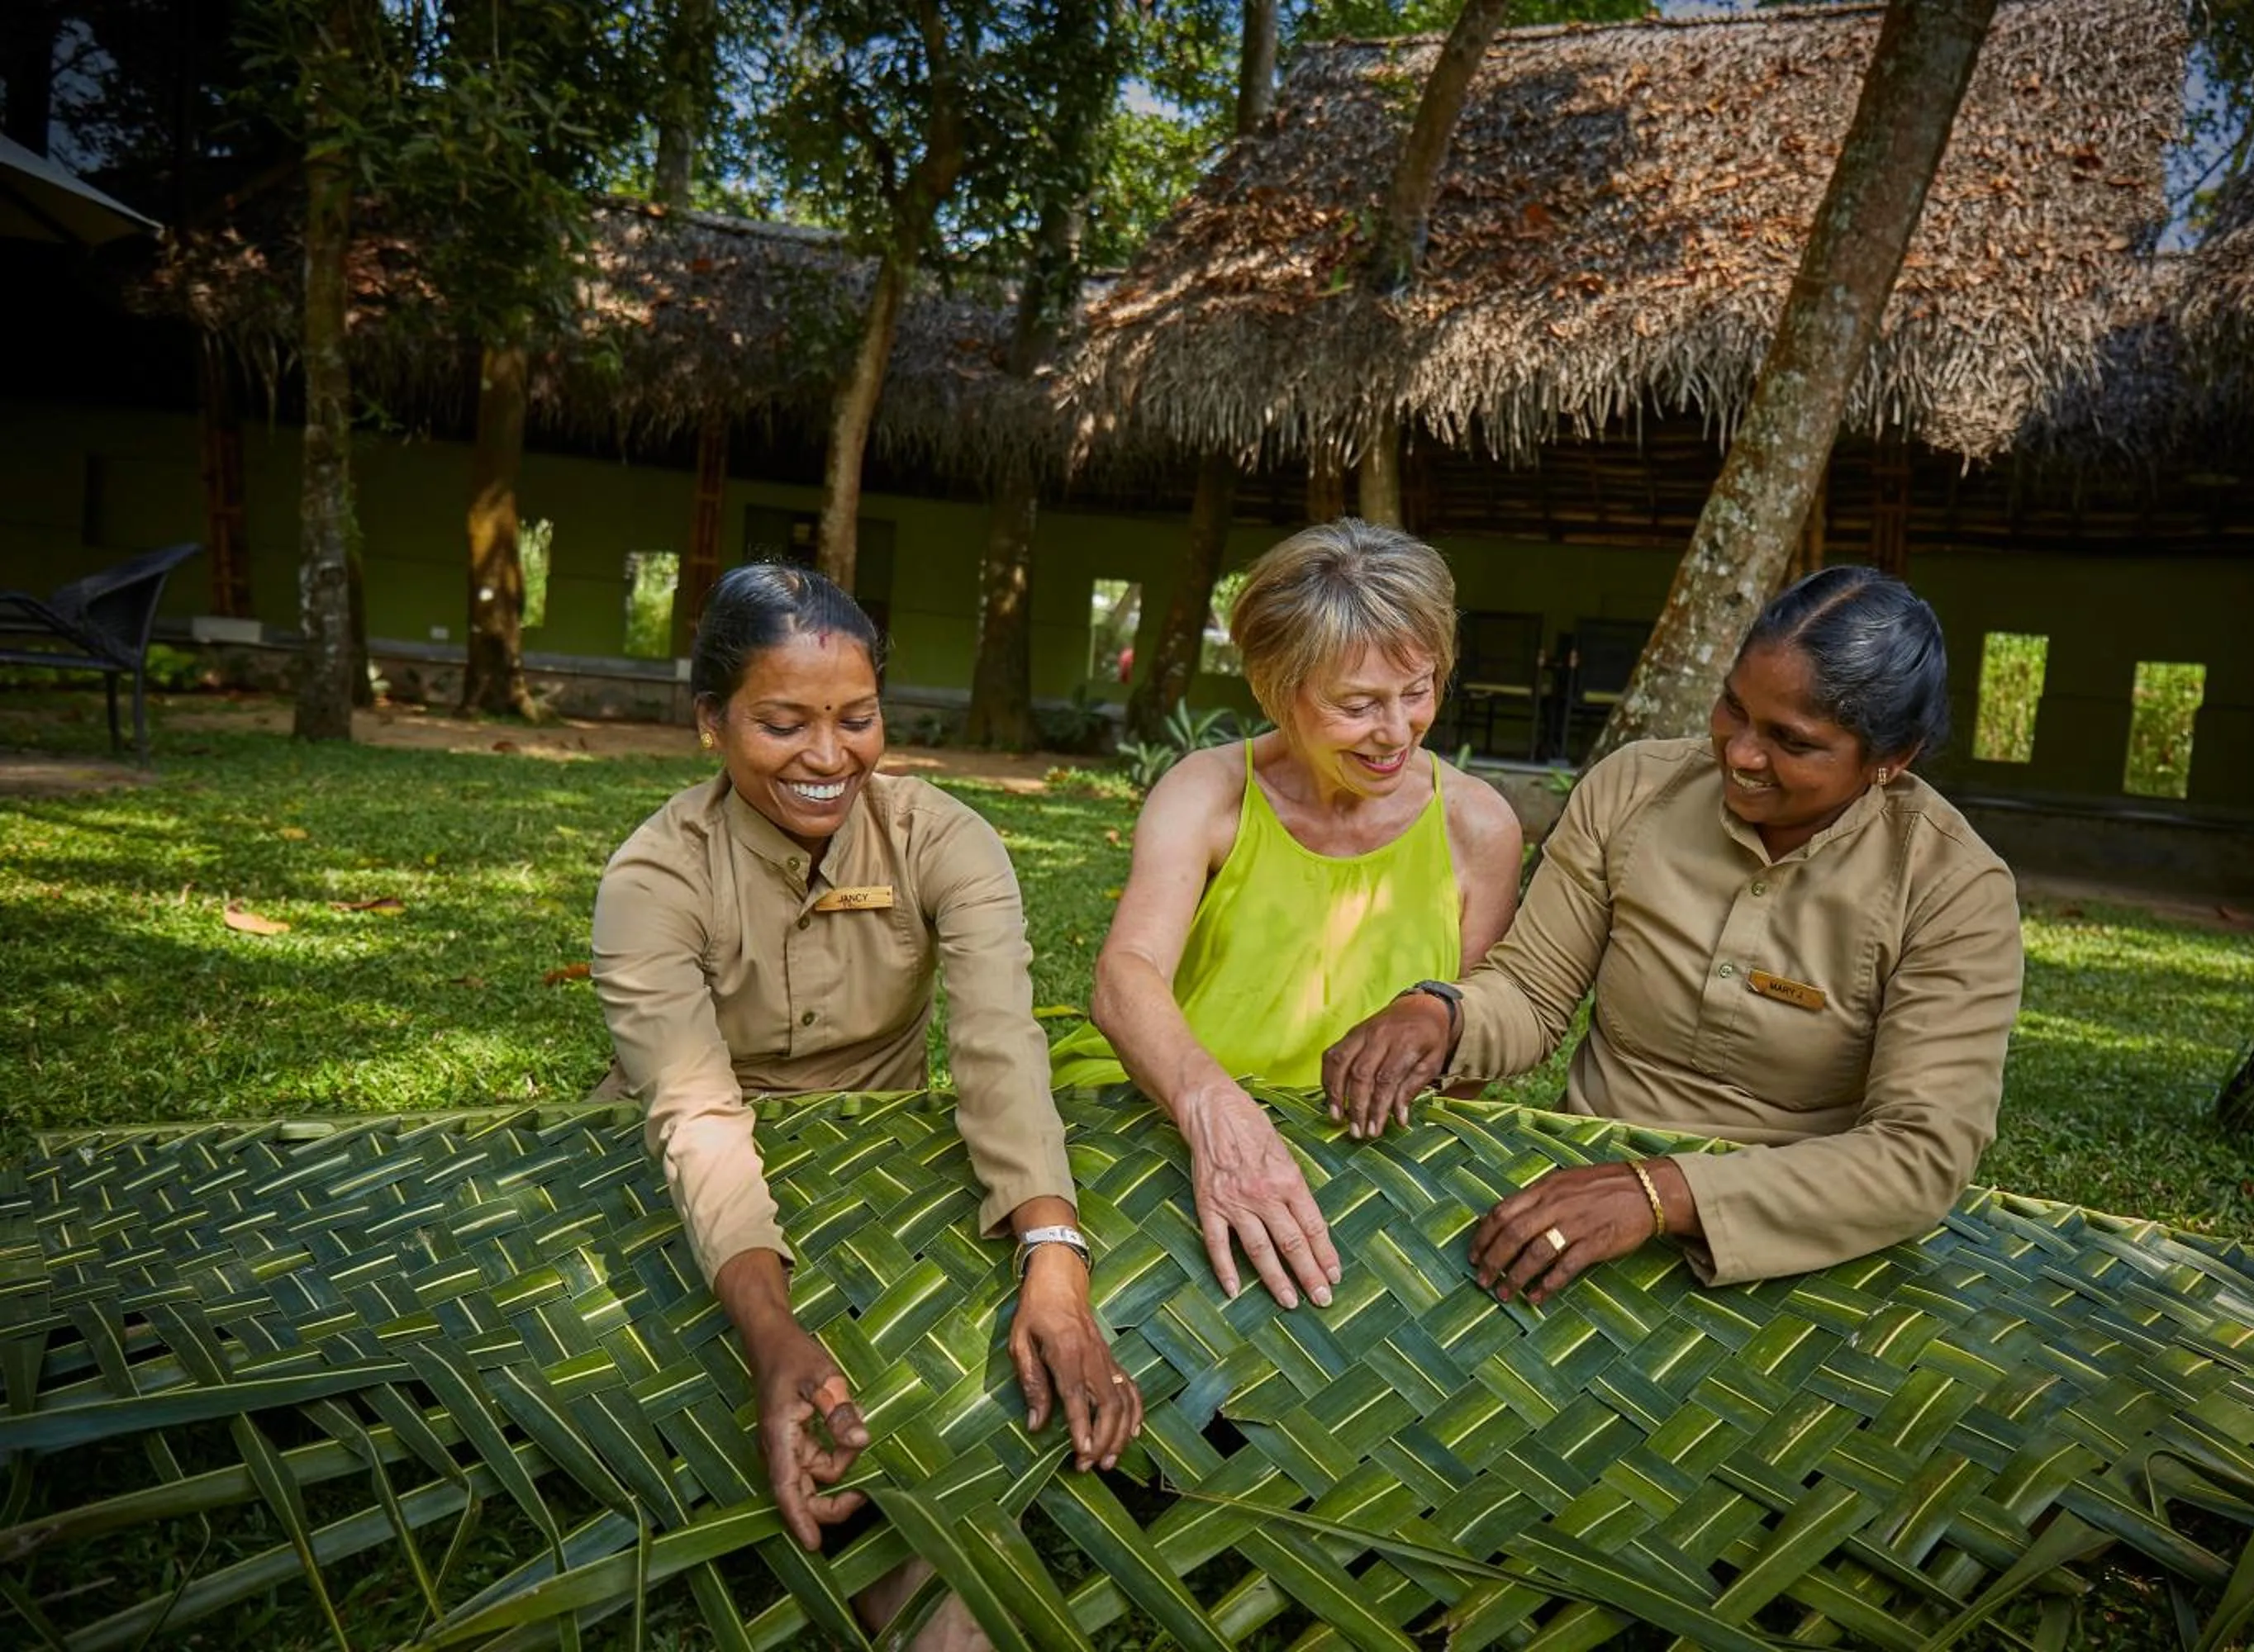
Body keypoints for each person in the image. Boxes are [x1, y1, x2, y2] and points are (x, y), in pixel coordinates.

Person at [592, 564, 1139, 1639]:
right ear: (712, 720)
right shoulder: (653, 880)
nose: (829, 757)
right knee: (799, 1390)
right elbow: (697, 1119)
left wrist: (1055, 1256)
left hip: (878, 1172)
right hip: (687, 1190)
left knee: (933, 1411)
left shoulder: (945, 841)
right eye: (784, 723)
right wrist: (769, 1331)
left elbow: (997, 1050)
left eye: (857, 718)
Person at [1324, 566, 2023, 1305]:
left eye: (1792, 740)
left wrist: (1659, 1196)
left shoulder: (1953, 889)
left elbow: (1919, 1154)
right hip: (1567, 1192)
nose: (1741, 753)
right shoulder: (1633, 789)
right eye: (1734, 707)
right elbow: (1531, 994)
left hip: (1793, 1248)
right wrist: (1440, 1013)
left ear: (1893, 758)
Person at [1053, 520, 1525, 1311]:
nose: (1396, 732)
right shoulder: (1208, 793)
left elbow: (1469, 1051)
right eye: (1358, 704)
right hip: (1173, 1109)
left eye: (1419, 692)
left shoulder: (1478, 826)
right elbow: (1125, 974)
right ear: (1278, 688)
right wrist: (1215, 1109)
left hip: (1365, 1145)